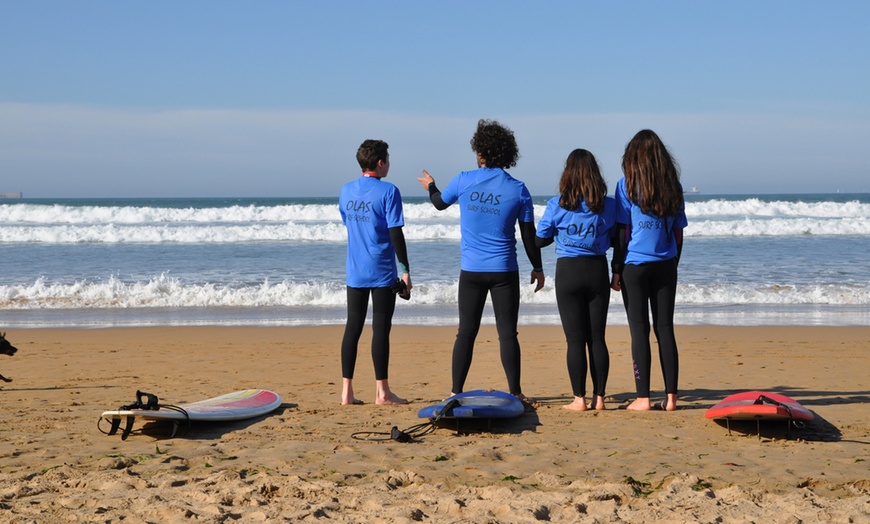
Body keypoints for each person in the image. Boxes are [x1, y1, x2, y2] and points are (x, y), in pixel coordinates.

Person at [417, 119, 544, 400]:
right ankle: (517, 392)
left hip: (471, 271)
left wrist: (431, 185)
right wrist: (538, 267)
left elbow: (438, 203)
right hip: (504, 271)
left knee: (466, 332)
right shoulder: (518, 188)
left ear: (481, 152)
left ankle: (454, 392)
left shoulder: (463, 180)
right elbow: (528, 236)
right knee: (508, 334)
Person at [610, 129, 687, 411]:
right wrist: (673, 264)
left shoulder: (626, 185)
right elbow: (678, 233)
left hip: (635, 267)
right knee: (665, 329)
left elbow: (622, 232)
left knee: (639, 331)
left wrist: (616, 269)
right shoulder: (673, 187)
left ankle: (642, 397)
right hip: (666, 265)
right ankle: (671, 399)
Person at [535, 149, 616, 411]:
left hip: (568, 271)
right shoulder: (609, 205)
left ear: (567, 174)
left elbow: (539, 239)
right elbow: (617, 238)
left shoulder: (556, 205)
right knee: (597, 338)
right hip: (597, 269)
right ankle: (600, 398)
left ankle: (579, 399)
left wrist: (561, 234)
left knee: (574, 340)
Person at [338, 139, 411, 406]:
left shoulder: (346, 191)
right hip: (381, 272)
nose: (389, 164)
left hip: (354, 271)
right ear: (380, 163)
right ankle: (382, 393)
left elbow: (350, 223)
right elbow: (395, 233)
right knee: (380, 329)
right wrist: (405, 271)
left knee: (353, 327)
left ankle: (346, 392)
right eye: (388, 160)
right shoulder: (389, 191)